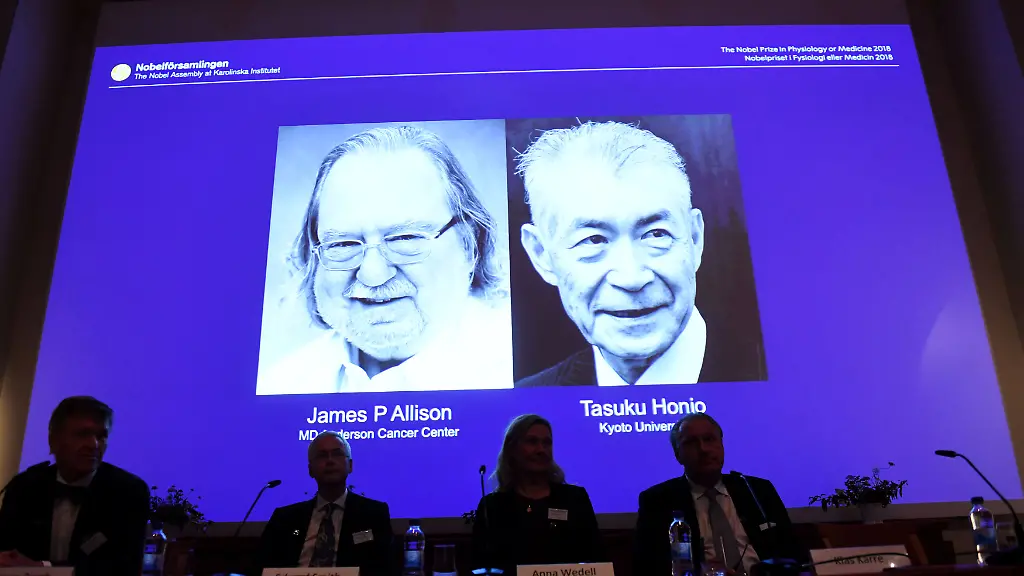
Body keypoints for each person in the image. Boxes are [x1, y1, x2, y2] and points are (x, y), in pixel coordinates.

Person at [258, 124, 512, 394]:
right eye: (343, 244)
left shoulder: (514, 372)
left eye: (405, 238)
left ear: (469, 245)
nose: (372, 274)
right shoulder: (278, 386)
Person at [514, 120, 717, 387]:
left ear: (694, 238)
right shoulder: (527, 397)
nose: (631, 278)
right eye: (593, 240)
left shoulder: (768, 374)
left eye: (656, 234)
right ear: (541, 255)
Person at [634, 413, 807, 576]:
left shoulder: (756, 489)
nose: (703, 449)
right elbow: (649, 566)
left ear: (721, 445)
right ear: (678, 455)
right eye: (691, 443)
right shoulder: (658, 500)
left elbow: (793, 552)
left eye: (709, 439)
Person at [0, 396, 150, 576]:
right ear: (53, 440)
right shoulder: (25, 486)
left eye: (101, 436)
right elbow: (7, 551)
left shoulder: (128, 492)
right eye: (82, 434)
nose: (94, 445)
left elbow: (124, 568)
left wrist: (42, 568)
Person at [472, 414, 602, 572]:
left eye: (547, 443)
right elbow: (481, 565)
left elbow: (596, 559)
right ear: (512, 449)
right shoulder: (492, 506)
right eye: (532, 442)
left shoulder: (575, 498)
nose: (541, 450)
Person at [259, 431, 392, 574]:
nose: (330, 461)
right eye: (322, 455)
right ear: (310, 469)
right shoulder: (284, 518)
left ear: (350, 465)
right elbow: (261, 567)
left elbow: (386, 567)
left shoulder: (374, 514)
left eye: (337, 454)